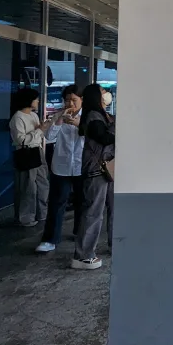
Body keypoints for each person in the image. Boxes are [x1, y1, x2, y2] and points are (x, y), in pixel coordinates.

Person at [35, 85, 85, 253]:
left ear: (81, 100)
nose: (70, 103)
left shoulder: (88, 117)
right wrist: (59, 120)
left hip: (81, 166)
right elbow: (49, 137)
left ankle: (80, 232)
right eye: (67, 100)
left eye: (74, 100)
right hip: (61, 166)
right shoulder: (58, 115)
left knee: (82, 202)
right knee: (57, 203)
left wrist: (79, 124)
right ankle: (50, 239)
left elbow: (92, 137)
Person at [73, 84, 115, 270]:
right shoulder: (93, 117)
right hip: (97, 170)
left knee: (114, 209)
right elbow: (105, 138)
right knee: (93, 213)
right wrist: (117, 126)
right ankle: (83, 255)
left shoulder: (102, 115)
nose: (106, 95)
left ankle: (115, 244)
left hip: (107, 170)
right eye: (103, 92)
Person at [10, 87, 58, 227]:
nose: (37, 101)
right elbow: (21, 140)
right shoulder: (18, 117)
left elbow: (39, 133)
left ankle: (41, 213)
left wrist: (43, 128)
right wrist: (39, 130)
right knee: (27, 187)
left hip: (38, 150)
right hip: (26, 153)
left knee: (43, 184)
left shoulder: (33, 115)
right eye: (36, 99)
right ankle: (25, 217)